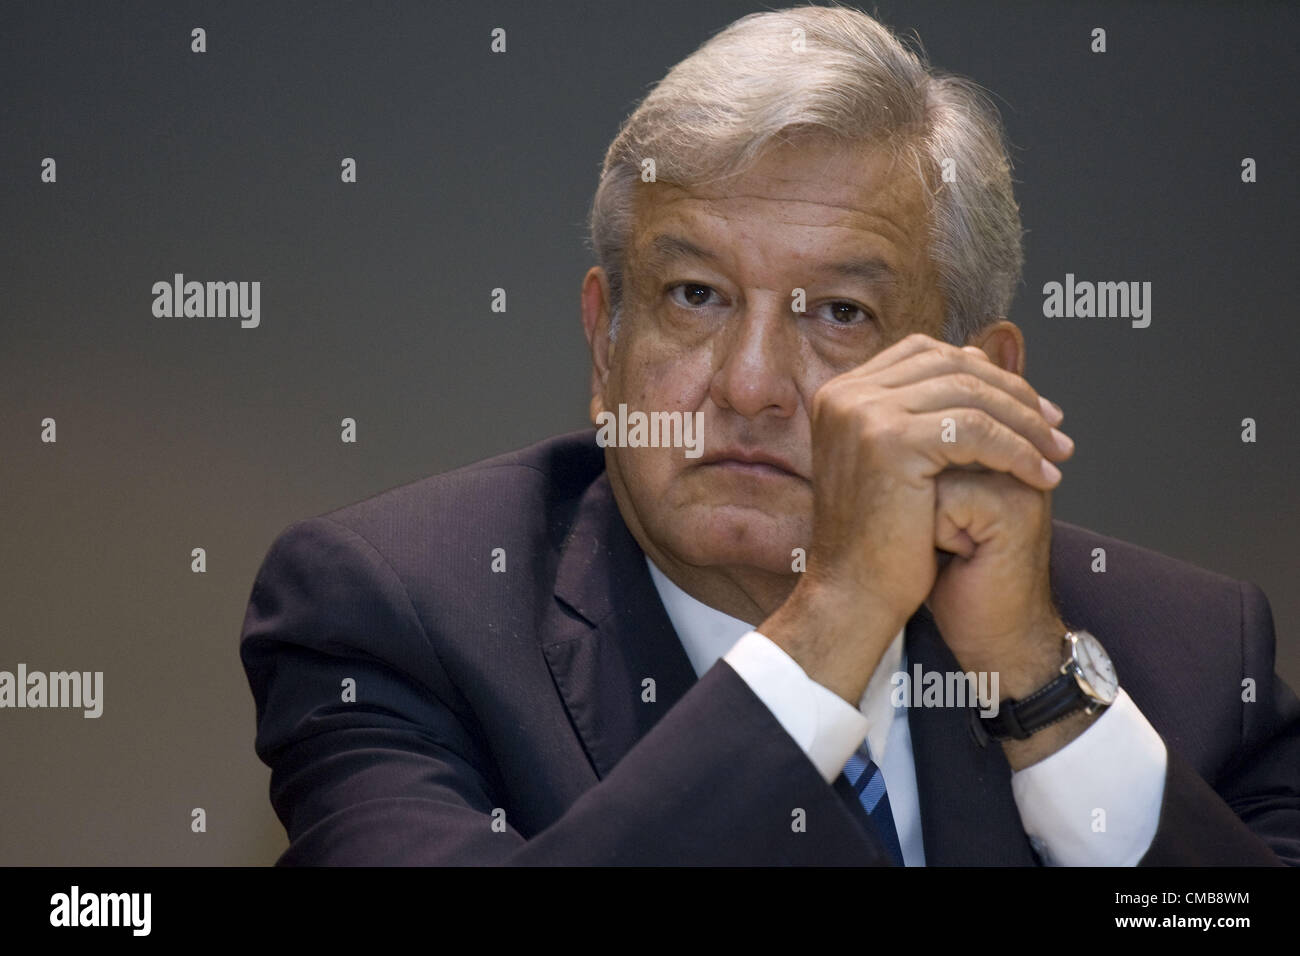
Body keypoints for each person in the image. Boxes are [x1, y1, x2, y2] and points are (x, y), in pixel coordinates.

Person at [239, 5, 1300, 865]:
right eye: (694, 294)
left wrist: (1039, 688)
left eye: (839, 312)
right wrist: (830, 619)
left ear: (979, 383)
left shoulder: (1192, 655)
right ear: (604, 341)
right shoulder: (395, 615)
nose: (749, 384)